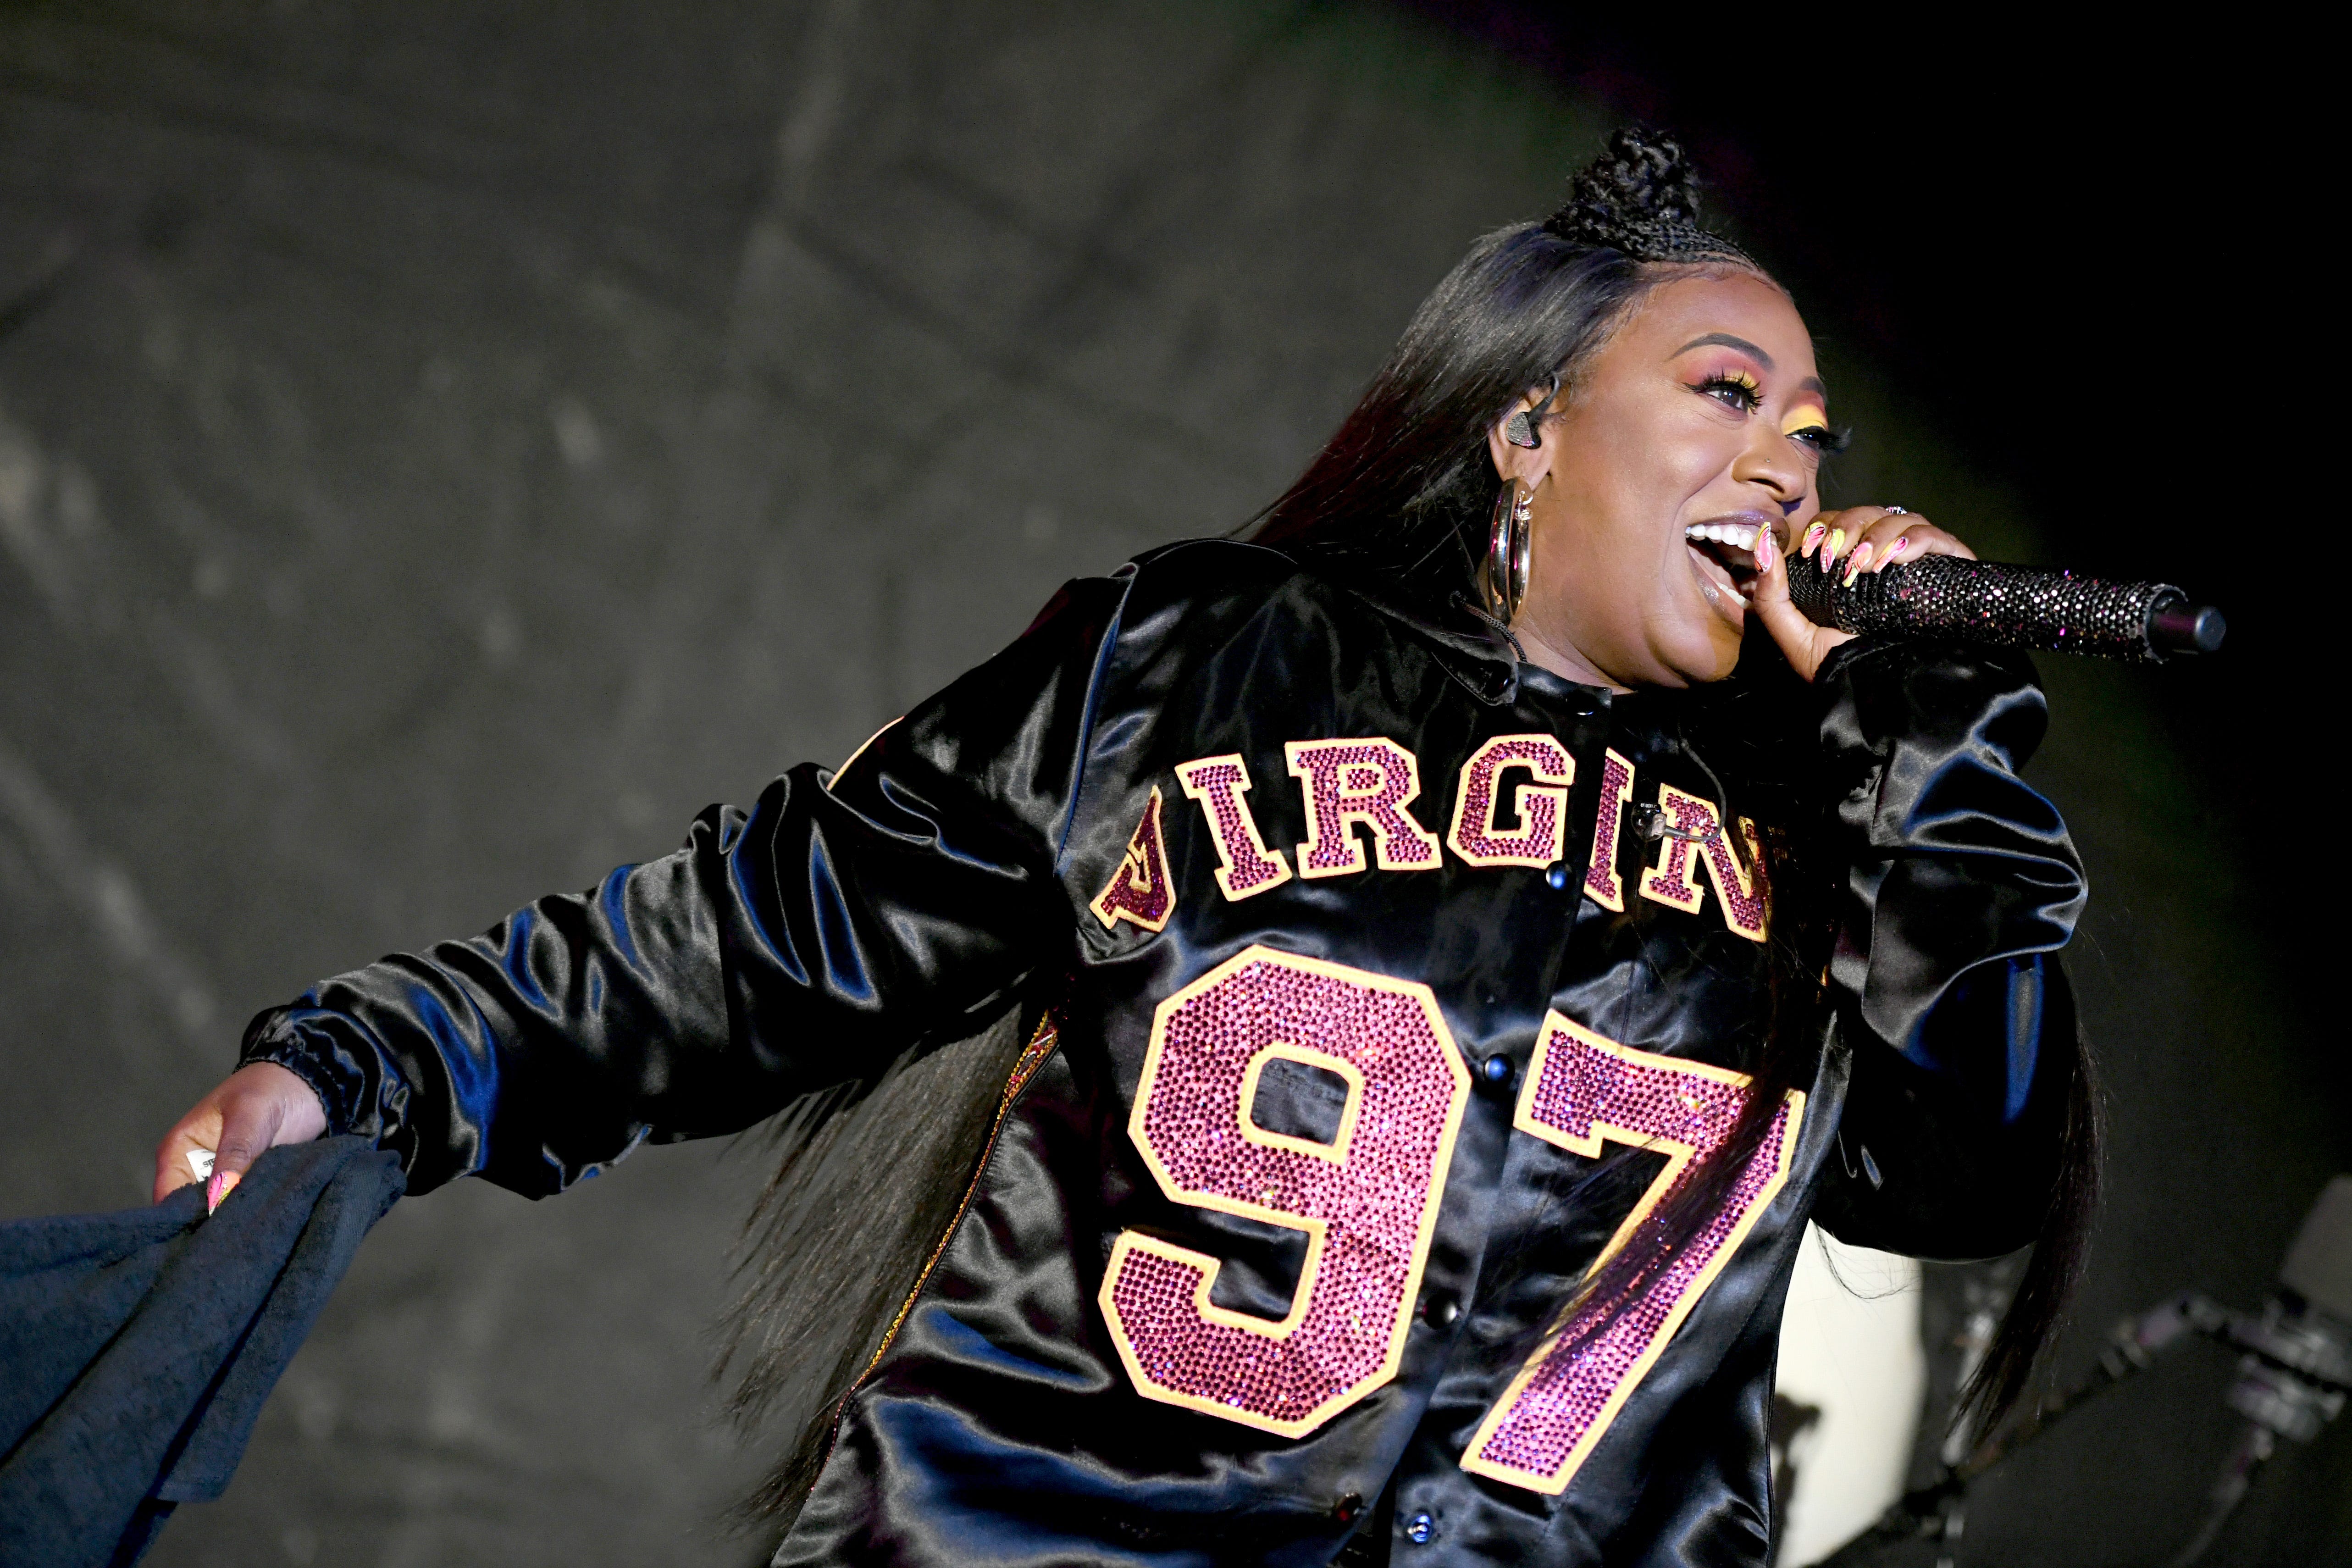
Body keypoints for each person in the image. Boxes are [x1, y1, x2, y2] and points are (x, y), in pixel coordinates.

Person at [154, 129, 2094, 1567]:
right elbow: (752, 938)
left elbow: (1963, 1169)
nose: (1786, 468)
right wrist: (366, 1068)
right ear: (1524, 429)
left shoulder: (1831, 817)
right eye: (1724, 396)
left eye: (1817, 436)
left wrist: (1924, 735)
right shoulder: (1200, 661)